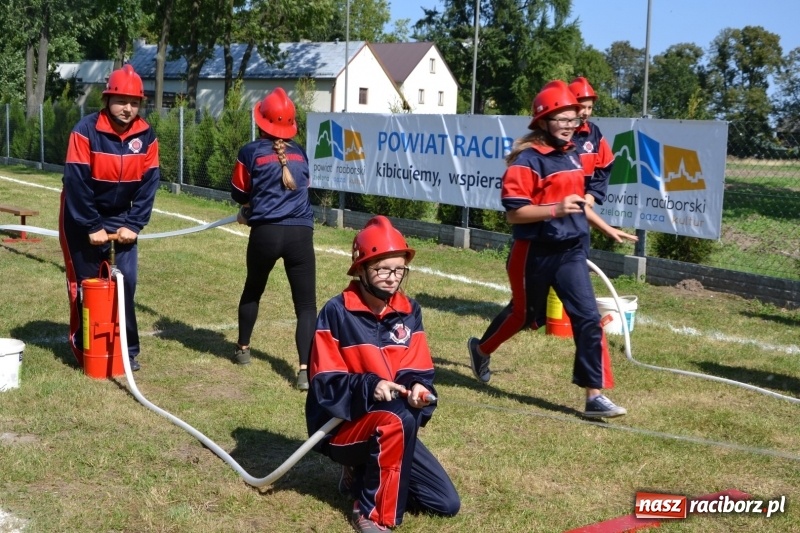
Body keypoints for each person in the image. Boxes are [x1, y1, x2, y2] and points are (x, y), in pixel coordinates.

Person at [466, 80, 636, 419]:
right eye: (562, 119)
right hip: (533, 252)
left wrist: (605, 227)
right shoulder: (526, 161)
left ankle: (594, 396)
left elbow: (577, 203)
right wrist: (555, 209)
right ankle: (481, 350)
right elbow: (515, 214)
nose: (570, 125)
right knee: (524, 316)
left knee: (588, 318)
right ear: (542, 121)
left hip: (570, 250)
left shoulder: (572, 154)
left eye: (574, 119)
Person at [305, 216, 460, 532]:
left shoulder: (410, 311)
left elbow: (418, 368)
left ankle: (362, 473)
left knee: (444, 503)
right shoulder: (336, 312)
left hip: (395, 423)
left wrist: (418, 388)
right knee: (395, 419)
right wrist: (370, 386)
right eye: (383, 269)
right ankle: (370, 511)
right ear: (361, 268)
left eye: (399, 269)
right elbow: (324, 384)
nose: (392, 278)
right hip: (340, 426)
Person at [59, 64, 160, 372]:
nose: (128, 108)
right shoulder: (85, 131)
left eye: (134, 102)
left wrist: (134, 224)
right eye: (121, 101)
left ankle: (127, 351)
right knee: (86, 284)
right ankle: (86, 347)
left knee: (125, 283)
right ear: (107, 100)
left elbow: (149, 183)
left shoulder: (146, 135)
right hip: (81, 215)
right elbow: (76, 182)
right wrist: (91, 226)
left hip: (121, 215)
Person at [231, 87, 316, 391]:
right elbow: (304, 187)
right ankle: (305, 371)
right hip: (300, 233)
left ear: (261, 121)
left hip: (265, 234)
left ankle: (243, 349)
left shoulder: (250, 152)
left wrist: (246, 210)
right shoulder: (300, 152)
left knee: (253, 290)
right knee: (306, 305)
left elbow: (239, 192)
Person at [568, 76, 614, 211]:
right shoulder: (558, 131)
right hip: (555, 208)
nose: (586, 113)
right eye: (583, 107)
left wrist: (592, 193)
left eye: (590, 108)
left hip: (580, 209)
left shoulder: (594, 132)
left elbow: (606, 164)